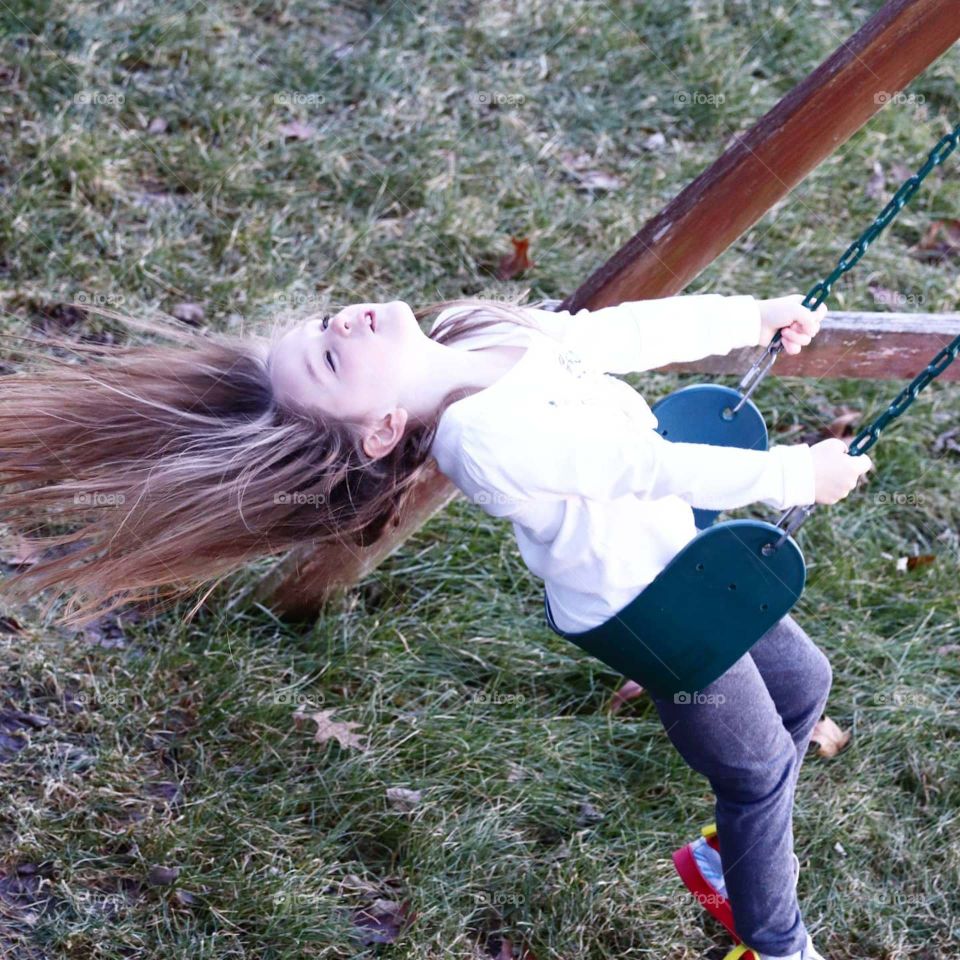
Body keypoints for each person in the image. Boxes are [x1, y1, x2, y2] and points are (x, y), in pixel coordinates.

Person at [0, 292, 871, 958]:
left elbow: (615, 335)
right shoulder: (480, 439)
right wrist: (793, 474)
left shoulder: (479, 335)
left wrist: (747, 316)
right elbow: (635, 466)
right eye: (333, 363)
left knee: (803, 685)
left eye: (320, 326)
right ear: (383, 429)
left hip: (678, 555)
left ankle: (729, 857)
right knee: (753, 765)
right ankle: (776, 937)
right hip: (644, 607)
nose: (340, 326)